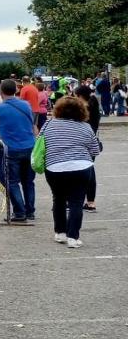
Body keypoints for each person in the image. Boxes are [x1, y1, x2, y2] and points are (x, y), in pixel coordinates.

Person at [39, 96, 101, 249]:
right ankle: (73, 237)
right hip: (81, 168)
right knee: (76, 202)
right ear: (81, 110)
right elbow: (95, 150)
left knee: (58, 199)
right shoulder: (86, 127)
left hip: (54, 168)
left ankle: (60, 233)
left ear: (58, 109)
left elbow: (40, 143)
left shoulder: (48, 124)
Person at [0, 78, 37, 223]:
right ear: (16, 90)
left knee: (11, 182)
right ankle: (30, 211)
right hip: (30, 146)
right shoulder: (25, 105)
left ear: (0, 91)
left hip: (12, 149)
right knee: (28, 181)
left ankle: (19, 212)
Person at [73, 84, 102, 213]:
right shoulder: (94, 106)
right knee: (90, 172)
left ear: (79, 96)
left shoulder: (83, 110)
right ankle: (91, 202)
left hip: (81, 143)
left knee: (75, 172)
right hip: (91, 142)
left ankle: (73, 200)